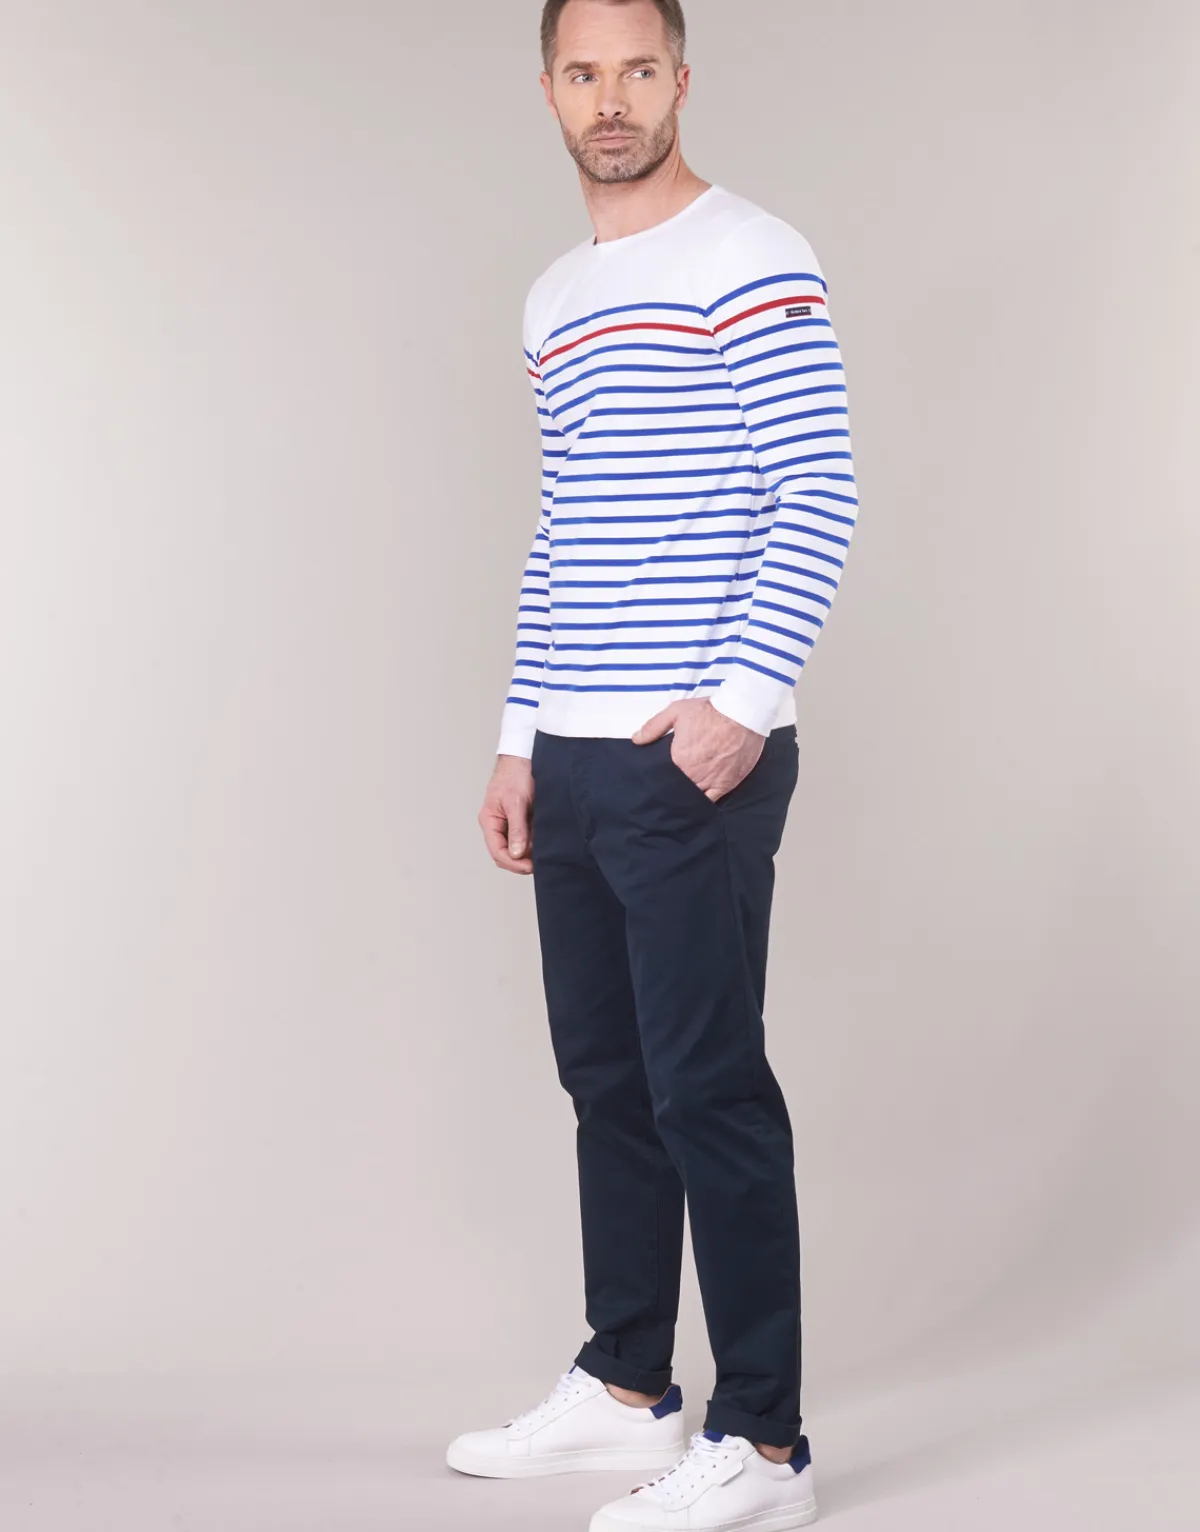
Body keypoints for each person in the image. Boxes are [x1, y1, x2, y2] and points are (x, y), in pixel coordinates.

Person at [453, 2, 857, 1527]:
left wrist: (740, 704)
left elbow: (819, 487)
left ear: (680, 81)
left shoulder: (752, 253)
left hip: (689, 762)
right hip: (573, 760)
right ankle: (629, 1385)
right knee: (608, 1084)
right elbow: (567, 524)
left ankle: (765, 1445)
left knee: (708, 1088)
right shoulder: (557, 296)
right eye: (583, 73)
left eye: (637, 70)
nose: (610, 99)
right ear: (549, 91)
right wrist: (519, 742)